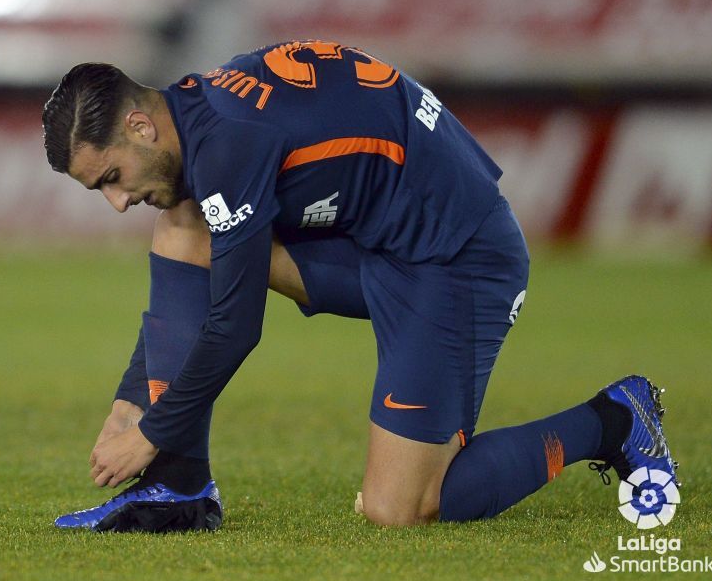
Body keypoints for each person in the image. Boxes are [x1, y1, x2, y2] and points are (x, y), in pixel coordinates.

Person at [42, 41, 678, 533]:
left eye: (112, 178)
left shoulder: (231, 143)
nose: (118, 202)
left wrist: (150, 432)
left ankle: (613, 420)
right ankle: (180, 487)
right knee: (185, 222)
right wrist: (132, 400)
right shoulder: (199, 111)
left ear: (140, 125)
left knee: (402, 508)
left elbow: (234, 325)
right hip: (381, 247)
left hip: (457, 263)